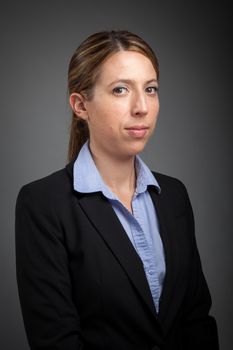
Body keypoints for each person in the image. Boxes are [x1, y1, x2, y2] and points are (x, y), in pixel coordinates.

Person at [15, 30, 219, 350]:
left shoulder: (174, 195)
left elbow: (197, 321)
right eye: (121, 89)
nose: (142, 107)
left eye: (150, 89)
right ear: (81, 105)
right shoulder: (43, 204)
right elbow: (55, 340)